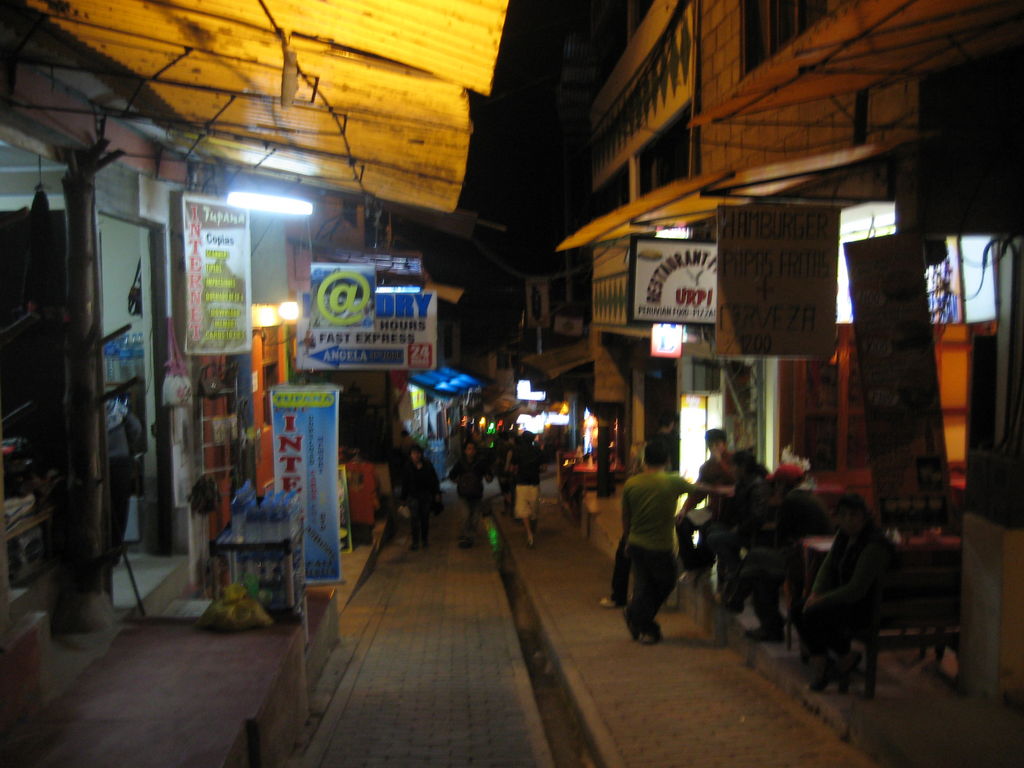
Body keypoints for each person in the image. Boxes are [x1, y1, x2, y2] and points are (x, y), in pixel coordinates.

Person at [621, 440, 733, 645]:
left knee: (644, 585)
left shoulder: (632, 483)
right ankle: (641, 621)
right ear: (667, 460)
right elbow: (700, 488)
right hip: (659, 545)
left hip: (636, 543)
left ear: (645, 460)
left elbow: (626, 516)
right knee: (666, 581)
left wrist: (627, 540)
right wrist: (723, 490)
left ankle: (640, 621)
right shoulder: (672, 481)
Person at [793, 492, 893, 692]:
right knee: (799, 608)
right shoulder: (843, 537)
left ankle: (824, 670)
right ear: (837, 516)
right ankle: (842, 658)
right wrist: (815, 593)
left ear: (864, 517)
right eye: (844, 515)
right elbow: (828, 567)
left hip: (866, 607)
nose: (848, 520)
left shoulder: (874, 545)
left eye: (854, 515)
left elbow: (856, 589)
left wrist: (821, 600)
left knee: (813, 613)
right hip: (845, 601)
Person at [723, 463, 833, 642]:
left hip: (804, 561)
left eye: (775, 485)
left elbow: (781, 537)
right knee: (759, 569)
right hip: (813, 558)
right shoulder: (809, 497)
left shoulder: (792, 500)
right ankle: (747, 605)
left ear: (782, 485)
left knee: (757, 559)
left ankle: (740, 599)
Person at [703, 449, 769, 589]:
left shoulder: (757, 486)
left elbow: (756, 517)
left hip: (752, 533)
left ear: (742, 467)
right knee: (711, 528)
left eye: (733, 466)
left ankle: (738, 569)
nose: (731, 469)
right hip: (741, 526)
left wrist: (737, 529)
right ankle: (736, 569)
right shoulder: (742, 483)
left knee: (714, 538)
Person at [676, 428, 734, 574]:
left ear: (725, 444)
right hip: (711, 509)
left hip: (729, 511)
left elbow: (733, 479)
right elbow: (698, 492)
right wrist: (684, 509)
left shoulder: (733, 460)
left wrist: (720, 461)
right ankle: (692, 563)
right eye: (711, 445)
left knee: (706, 529)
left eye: (717, 444)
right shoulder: (707, 466)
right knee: (682, 523)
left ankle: (704, 560)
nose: (714, 448)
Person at [106, 398, 144, 555]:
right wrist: (128, 444)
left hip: (99, 464)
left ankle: (106, 547)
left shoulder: (87, 410)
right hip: (120, 462)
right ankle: (116, 548)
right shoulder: (115, 406)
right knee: (119, 506)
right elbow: (135, 428)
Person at [448, 441, 493, 548]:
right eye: (469, 448)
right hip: (463, 494)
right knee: (466, 515)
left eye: (473, 448)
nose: (471, 451)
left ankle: (469, 534)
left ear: (475, 450)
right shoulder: (460, 463)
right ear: (465, 450)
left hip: (477, 494)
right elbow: (452, 475)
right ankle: (468, 536)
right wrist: (458, 482)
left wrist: (488, 477)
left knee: (475, 517)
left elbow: (489, 476)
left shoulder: (480, 463)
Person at [398, 444, 441, 550]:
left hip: (425, 496)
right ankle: (415, 542)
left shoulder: (427, 465)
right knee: (414, 520)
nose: (416, 455)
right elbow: (405, 483)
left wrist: (436, 493)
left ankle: (424, 540)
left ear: (421, 454)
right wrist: (403, 498)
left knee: (425, 519)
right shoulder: (407, 467)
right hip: (413, 497)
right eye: (413, 453)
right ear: (410, 455)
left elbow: (434, 480)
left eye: (418, 453)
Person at [511, 430, 545, 548]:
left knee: (524, 510)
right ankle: (532, 529)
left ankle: (529, 534)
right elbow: (544, 468)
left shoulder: (517, 451)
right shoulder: (537, 451)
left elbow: (513, 467)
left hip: (521, 483)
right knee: (534, 509)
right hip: (534, 483)